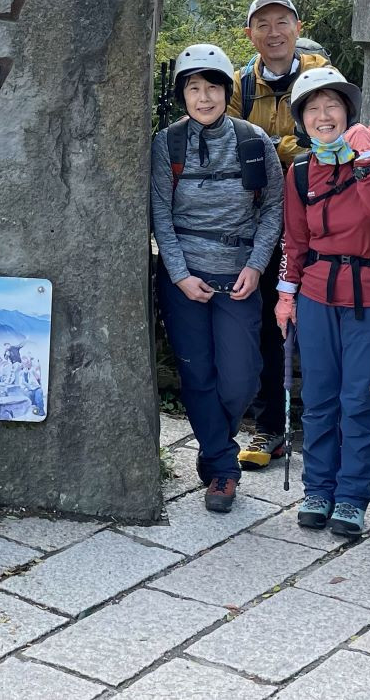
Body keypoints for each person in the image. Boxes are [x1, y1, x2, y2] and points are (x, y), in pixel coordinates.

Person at [150, 44, 283, 513]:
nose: (203, 98)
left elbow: (272, 210)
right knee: (196, 372)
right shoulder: (168, 143)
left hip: (239, 275)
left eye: (212, 88)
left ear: (227, 91)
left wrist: (256, 266)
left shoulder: (254, 141)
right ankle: (222, 468)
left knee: (240, 379)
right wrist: (181, 275)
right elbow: (159, 216)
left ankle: (214, 445)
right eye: (193, 88)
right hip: (184, 276)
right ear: (182, 95)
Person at [274, 65, 370, 538]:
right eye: (313, 108)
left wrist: (364, 157)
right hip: (316, 295)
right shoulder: (301, 169)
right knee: (320, 398)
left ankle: (351, 498)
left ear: (348, 111)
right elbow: (295, 238)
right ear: (302, 120)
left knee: (358, 400)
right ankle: (318, 489)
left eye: (332, 106)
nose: (323, 116)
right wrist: (286, 297)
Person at [227, 0, 330, 470]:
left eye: (282, 22)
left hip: (320, 220)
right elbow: (228, 144)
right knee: (272, 321)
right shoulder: (239, 86)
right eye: (262, 24)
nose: (273, 32)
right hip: (263, 221)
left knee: (322, 323)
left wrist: (267, 145)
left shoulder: (320, 78)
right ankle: (270, 427)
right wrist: (285, 148)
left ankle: (328, 426)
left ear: (297, 26)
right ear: (250, 35)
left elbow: (325, 143)